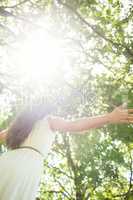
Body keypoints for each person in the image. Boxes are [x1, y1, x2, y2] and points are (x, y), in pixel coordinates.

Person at [0, 103, 133, 200]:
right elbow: (74, 125)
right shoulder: (49, 119)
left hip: (6, 160)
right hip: (27, 167)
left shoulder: (19, 127)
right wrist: (108, 117)